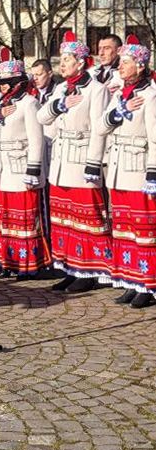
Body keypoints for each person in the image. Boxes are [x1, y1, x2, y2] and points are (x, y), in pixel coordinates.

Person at [36, 32, 110, 293]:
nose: (63, 63)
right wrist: (59, 105)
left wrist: (93, 163)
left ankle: (89, 269)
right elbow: (43, 117)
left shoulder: (96, 89)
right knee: (63, 220)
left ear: (81, 62)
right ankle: (69, 267)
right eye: (62, 59)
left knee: (86, 219)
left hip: (81, 159)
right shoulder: (59, 89)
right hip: (60, 160)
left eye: (67, 59)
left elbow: (100, 129)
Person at [95, 36, 156, 308]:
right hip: (118, 171)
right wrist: (119, 111)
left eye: (127, 62)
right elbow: (99, 127)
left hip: (138, 170)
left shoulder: (151, 95)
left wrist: (153, 172)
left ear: (140, 66)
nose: (121, 67)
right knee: (123, 231)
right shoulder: (120, 94)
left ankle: (149, 283)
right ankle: (131, 280)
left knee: (144, 232)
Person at [0, 49, 50, 280]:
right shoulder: (0, 104)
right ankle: (9, 261)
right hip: (4, 169)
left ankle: (30, 263)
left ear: (19, 82)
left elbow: (36, 138)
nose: (4, 86)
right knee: (6, 220)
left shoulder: (29, 104)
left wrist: (34, 168)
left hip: (22, 168)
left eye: (9, 82)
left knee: (25, 219)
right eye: (2, 82)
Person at [30, 57, 58, 238]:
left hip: (53, 150)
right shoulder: (30, 94)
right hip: (36, 152)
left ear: (50, 73)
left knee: (52, 199)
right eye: (33, 75)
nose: (36, 79)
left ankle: (52, 237)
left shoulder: (59, 92)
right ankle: (43, 239)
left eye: (39, 74)